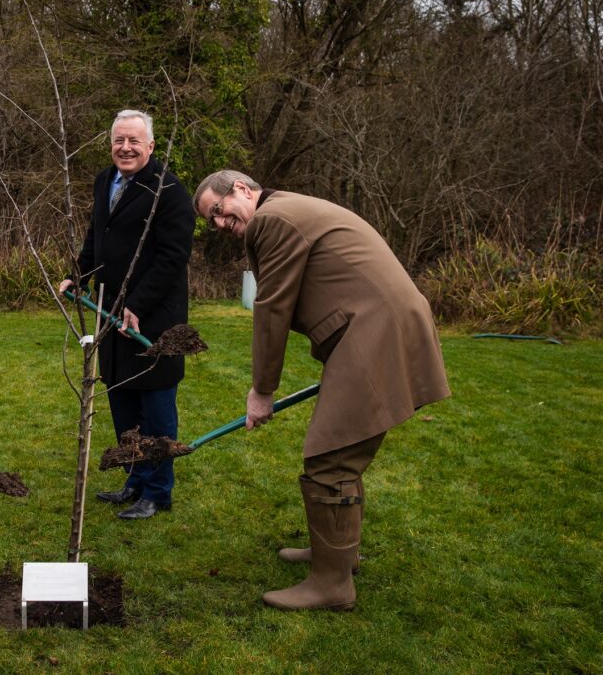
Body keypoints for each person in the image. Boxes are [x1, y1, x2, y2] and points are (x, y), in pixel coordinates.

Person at [193, 170, 450, 610]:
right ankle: (337, 555)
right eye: (210, 221)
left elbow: (272, 306)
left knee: (330, 455)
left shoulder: (273, 220)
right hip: (373, 328)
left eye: (218, 211)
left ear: (240, 188)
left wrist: (262, 390)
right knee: (340, 450)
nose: (219, 224)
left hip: (375, 331)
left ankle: (331, 584)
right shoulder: (287, 208)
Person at [58, 110, 195, 520]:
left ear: (150, 146)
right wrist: (77, 275)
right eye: (119, 140)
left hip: (152, 318)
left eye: (135, 141)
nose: (126, 148)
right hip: (109, 312)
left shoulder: (168, 190)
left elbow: (173, 258)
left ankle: (157, 491)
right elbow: (95, 238)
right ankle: (134, 480)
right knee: (122, 402)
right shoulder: (105, 181)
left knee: (155, 407)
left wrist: (138, 304)